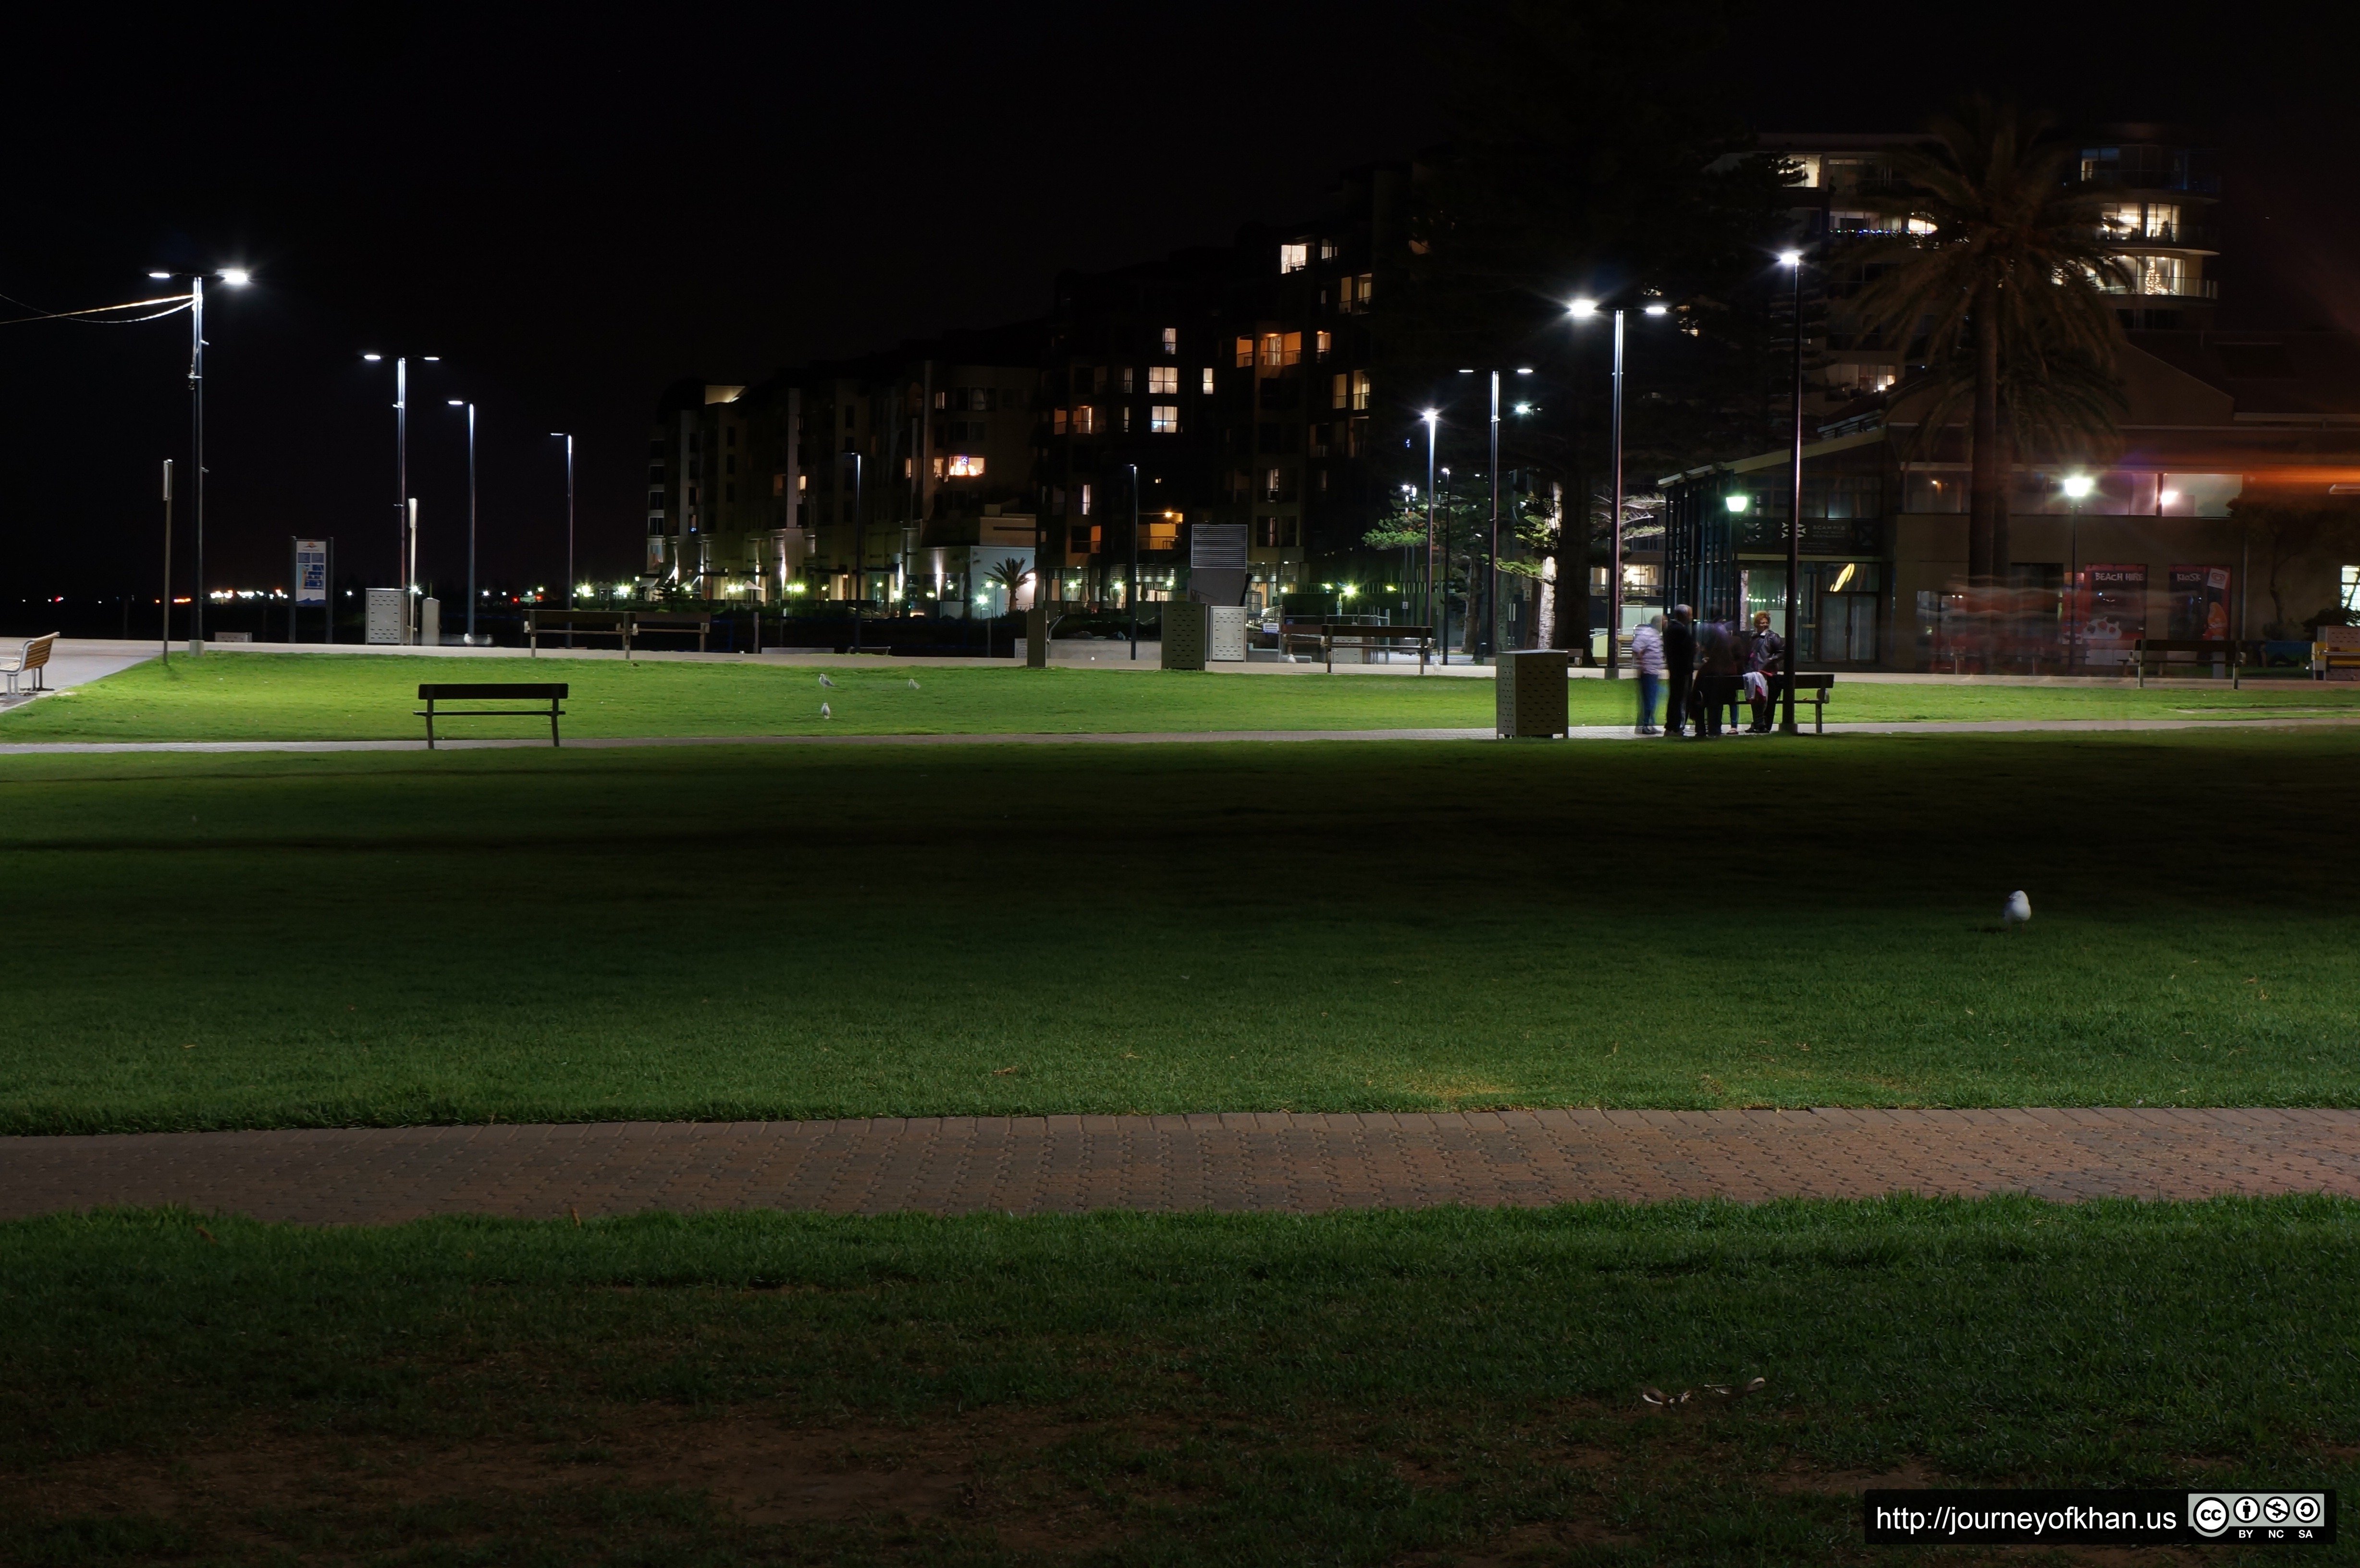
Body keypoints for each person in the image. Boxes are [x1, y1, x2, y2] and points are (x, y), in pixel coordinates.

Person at [1745, 610, 1785, 733]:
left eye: (1766, 623)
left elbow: (1783, 652)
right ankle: (1757, 724)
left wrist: (1770, 660)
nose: (1765, 625)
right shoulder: (1753, 637)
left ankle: (1762, 724)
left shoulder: (1773, 637)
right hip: (1754, 673)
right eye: (1762, 623)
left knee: (1764, 700)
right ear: (1756, 624)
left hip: (1767, 674)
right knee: (1756, 698)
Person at [1661, 604, 1696, 738]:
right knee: (1682, 699)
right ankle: (1677, 727)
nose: (1692, 618)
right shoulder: (1682, 631)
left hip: (1675, 669)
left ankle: (1671, 726)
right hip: (1683, 670)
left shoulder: (1670, 629)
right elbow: (1687, 650)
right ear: (1684, 615)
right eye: (1690, 614)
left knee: (1674, 698)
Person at [1630, 614, 1665, 735]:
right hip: (1648, 673)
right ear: (1658, 623)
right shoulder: (1647, 633)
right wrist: (1643, 665)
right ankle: (1644, 726)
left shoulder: (1654, 634)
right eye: (1664, 622)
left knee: (1652, 700)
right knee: (1648, 700)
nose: (1665, 625)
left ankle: (1650, 724)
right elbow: (1636, 648)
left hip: (1653, 672)